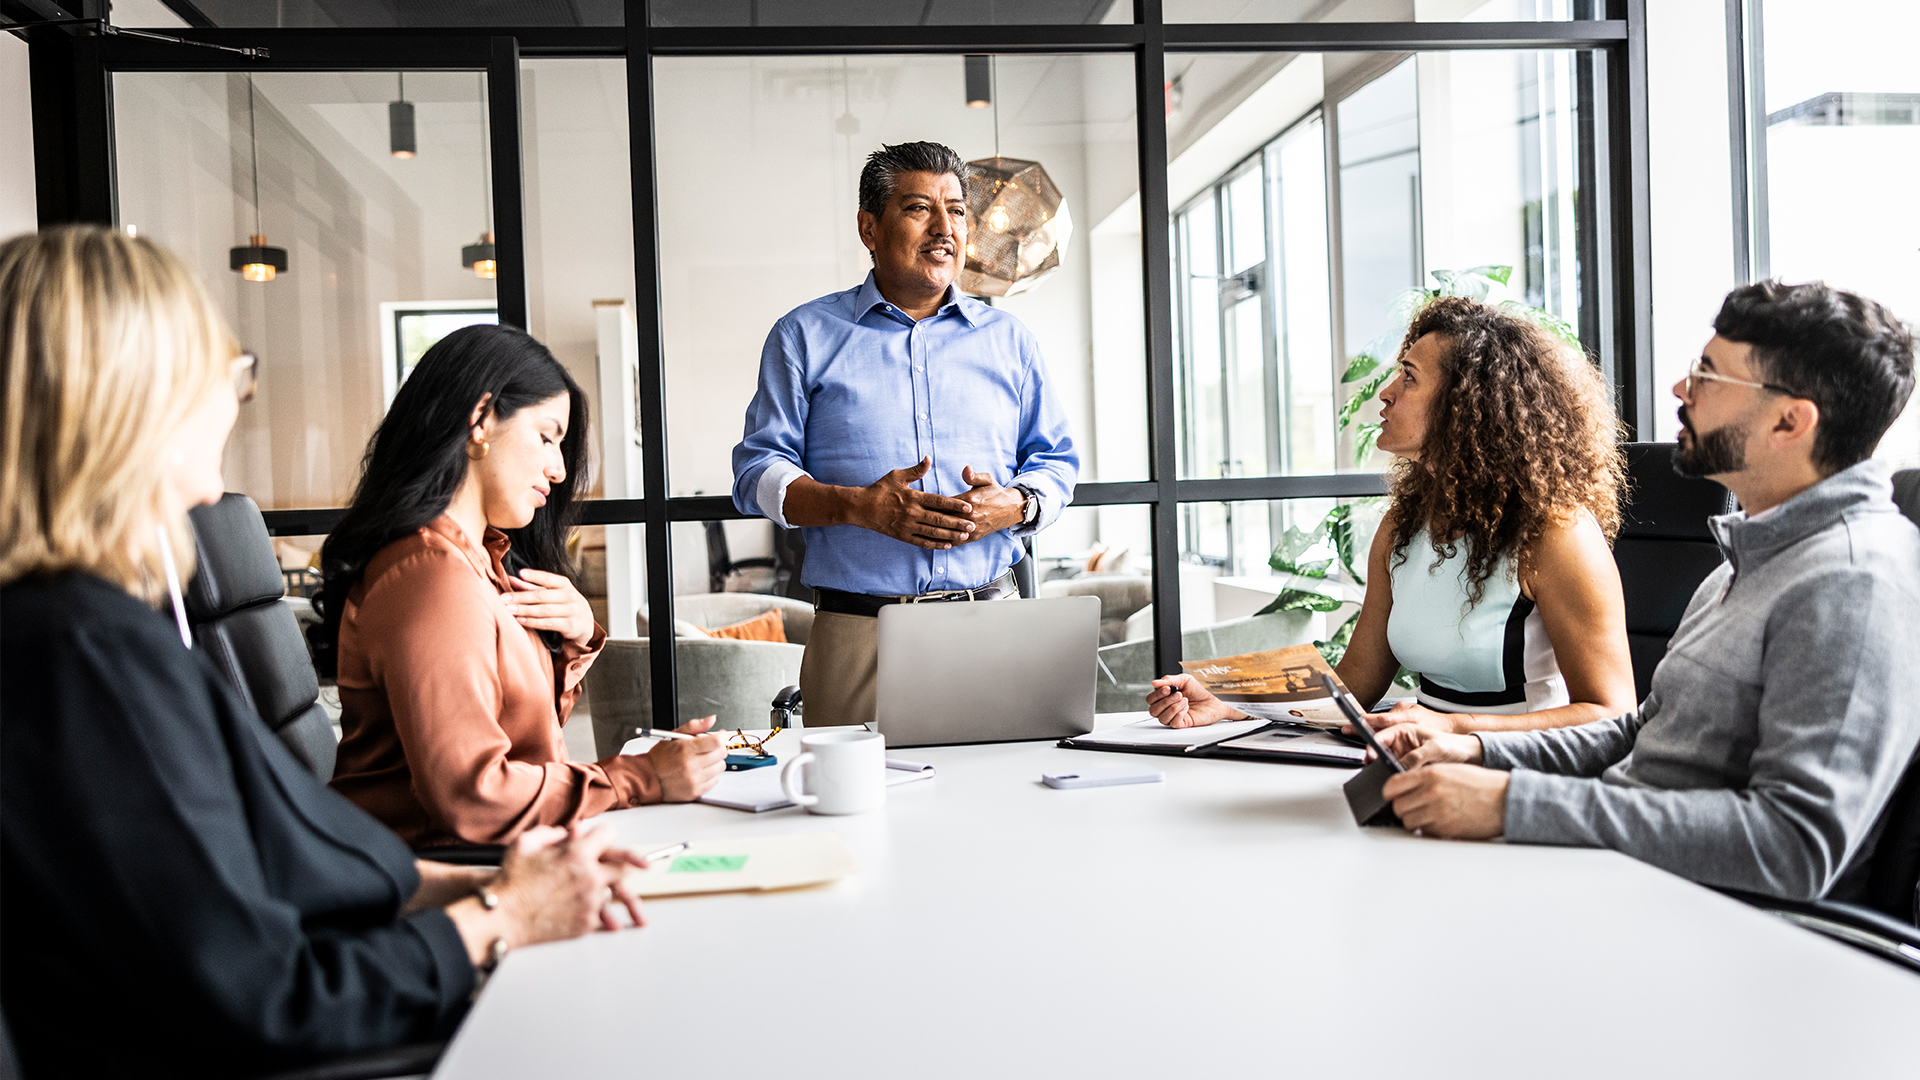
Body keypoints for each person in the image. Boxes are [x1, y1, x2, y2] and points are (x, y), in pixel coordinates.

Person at [0, 226, 656, 1077]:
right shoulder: (87, 659)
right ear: (133, 405)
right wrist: (499, 916)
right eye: (226, 382)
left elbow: (272, 863)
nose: (231, 418)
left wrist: (480, 889)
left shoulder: (95, 637)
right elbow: (267, 999)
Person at [1378, 281, 1920, 903]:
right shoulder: (1747, 560)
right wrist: (1477, 753)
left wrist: (1513, 803)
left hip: (1701, 921)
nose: (1681, 390)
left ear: (1790, 420)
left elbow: (1795, 847)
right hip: (1628, 875)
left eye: (1710, 376)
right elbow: (1643, 734)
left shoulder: (1853, 583)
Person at [1147, 296, 1637, 735]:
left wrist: (1453, 728)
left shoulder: (1556, 535)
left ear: (1467, 406)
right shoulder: (1403, 528)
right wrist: (1233, 702)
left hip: (1521, 776)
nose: (1385, 391)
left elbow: (1611, 712)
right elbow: (1355, 683)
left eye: (1409, 376)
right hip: (1419, 761)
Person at [320, 324, 726, 848]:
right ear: (481, 419)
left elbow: (522, 743)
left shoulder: (479, 565)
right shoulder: (431, 577)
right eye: (547, 436)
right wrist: (641, 777)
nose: (559, 470)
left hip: (491, 855)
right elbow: (476, 795)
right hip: (434, 880)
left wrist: (577, 635)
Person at [731, 141, 1079, 726]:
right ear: (870, 227)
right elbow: (756, 473)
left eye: (957, 210)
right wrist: (858, 507)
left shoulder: (1011, 340)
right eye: (920, 208)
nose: (945, 228)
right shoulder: (803, 335)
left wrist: (1015, 504)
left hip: (995, 625)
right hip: (860, 635)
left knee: (1006, 804)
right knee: (854, 813)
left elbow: (1057, 463)